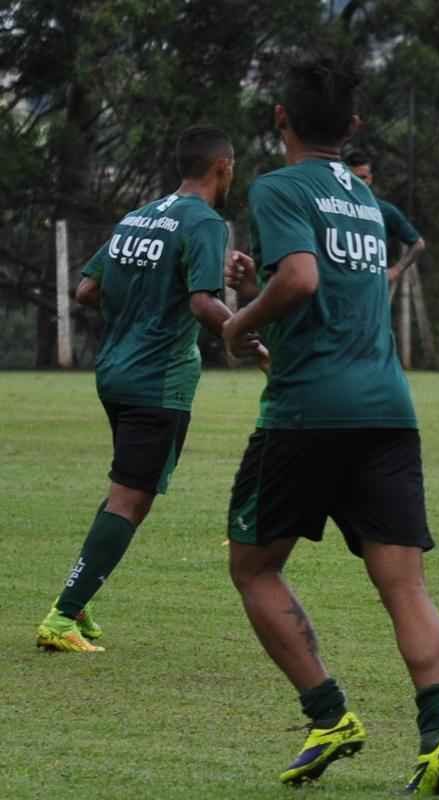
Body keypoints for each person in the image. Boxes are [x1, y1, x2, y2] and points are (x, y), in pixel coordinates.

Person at [220, 56, 439, 795]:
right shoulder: (360, 197)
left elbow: (300, 280)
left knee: (253, 567)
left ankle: (329, 715)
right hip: (387, 410)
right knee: (404, 587)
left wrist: (239, 321)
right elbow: (319, 287)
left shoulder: (276, 186)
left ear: (280, 120)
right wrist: (260, 291)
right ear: (352, 126)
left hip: (307, 414)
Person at [35, 125, 259, 652]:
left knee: (126, 493)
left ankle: (79, 597)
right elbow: (205, 303)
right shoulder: (205, 221)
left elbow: (88, 288)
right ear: (223, 167)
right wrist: (249, 338)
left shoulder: (139, 216)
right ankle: (61, 618)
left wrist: (144, 302)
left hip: (115, 371)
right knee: (130, 499)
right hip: (158, 382)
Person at [344, 149, 426, 287]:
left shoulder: (385, 211)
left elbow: (418, 244)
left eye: (362, 177)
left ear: (370, 178)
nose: (358, 183)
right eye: (354, 178)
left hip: (372, 291)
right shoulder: (332, 207)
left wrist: (396, 270)